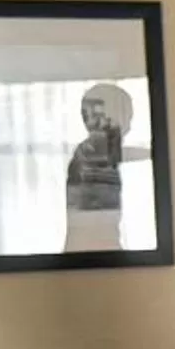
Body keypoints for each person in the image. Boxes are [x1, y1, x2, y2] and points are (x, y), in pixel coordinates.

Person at [63, 81, 135, 254]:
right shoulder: (92, 150)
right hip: (92, 241)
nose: (128, 126)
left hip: (98, 237)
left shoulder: (99, 150)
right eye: (125, 117)